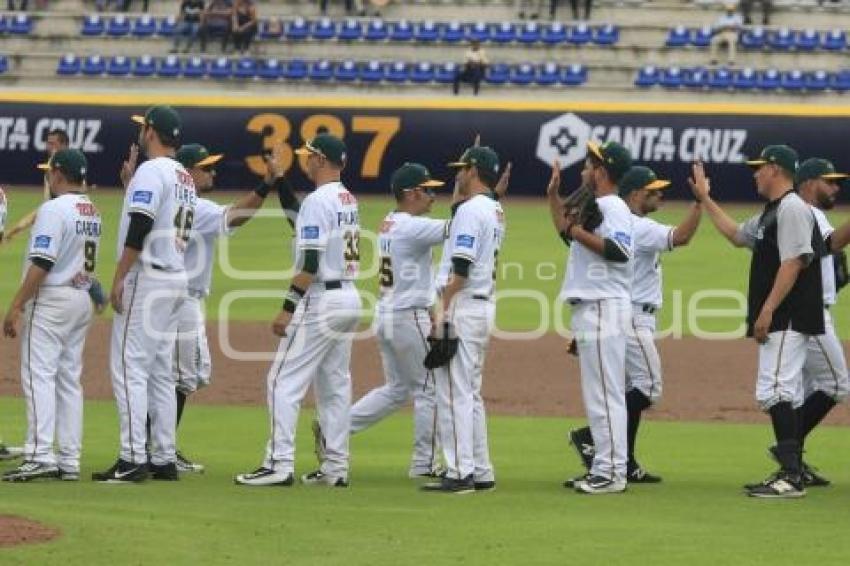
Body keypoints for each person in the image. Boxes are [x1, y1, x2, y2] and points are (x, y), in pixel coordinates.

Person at [691, 146, 825, 498]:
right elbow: (737, 235)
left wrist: (767, 310)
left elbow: (794, 261)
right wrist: (705, 199)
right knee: (781, 390)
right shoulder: (773, 211)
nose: (754, 174)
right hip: (783, 315)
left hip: (788, 315)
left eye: (759, 168)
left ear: (775, 170)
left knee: (776, 388)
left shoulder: (793, 208)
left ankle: (791, 476)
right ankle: (789, 471)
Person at [235, 134, 361, 488]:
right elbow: (298, 218)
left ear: (321, 160)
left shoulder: (318, 202)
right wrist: (280, 181)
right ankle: (336, 467)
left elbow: (309, 261)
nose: (305, 161)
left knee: (281, 381)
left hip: (322, 300)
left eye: (309, 156)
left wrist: (287, 307)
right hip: (348, 297)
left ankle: (278, 463)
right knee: (335, 386)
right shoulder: (346, 198)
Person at [565, 166, 702, 486]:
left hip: (616, 313)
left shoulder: (622, 223)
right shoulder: (637, 225)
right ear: (636, 193)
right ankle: (595, 441)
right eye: (654, 191)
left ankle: (620, 461)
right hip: (630, 318)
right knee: (648, 386)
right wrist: (700, 202)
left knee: (626, 389)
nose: (660, 195)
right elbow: (680, 237)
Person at [164, 143, 292, 473]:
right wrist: (266, 184)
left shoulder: (172, 201)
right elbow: (236, 216)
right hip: (182, 301)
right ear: (188, 172)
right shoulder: (194, 205)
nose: (213, 172)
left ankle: (161, 445)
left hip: (175, 298)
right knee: (179, 377)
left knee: (184, 374)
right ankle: (160, 448)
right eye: (205, 167)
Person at [92, 106, 197, 484]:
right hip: (175, 278)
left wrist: (118, 277)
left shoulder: (151, 171)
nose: (141, 133)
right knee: (158, 372)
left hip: (148, 278)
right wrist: (129, 185)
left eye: (144, 128)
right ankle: (163, 456)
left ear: (151, 132)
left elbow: (141, 225)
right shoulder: (184, 175)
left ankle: (132, 457)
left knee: (129, 366)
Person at [2, 149, 101, 483]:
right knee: (68, 379)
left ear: (58, 174)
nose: (47, 176)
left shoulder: (54, 209)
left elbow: (42, 262)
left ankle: (40, 454)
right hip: (81, 297)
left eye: (50, 171)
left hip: (53, 299)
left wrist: (16, 304)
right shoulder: (92, 209)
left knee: (38, 374)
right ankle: (69, 459)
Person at [548, 141, 634, 495]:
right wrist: (553, 197)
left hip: (603, 306)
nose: (583, 170)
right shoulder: (599, 205)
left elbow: (620, 251)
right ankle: (604, 466)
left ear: (601, 172)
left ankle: (612, 471)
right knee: (598, 393)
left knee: (605, 393)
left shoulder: (611, 205)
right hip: (594, 307)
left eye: (588, 165)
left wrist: (577, 231)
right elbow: (566, 234)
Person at [419, 146, 505, 494]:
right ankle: (480, 469)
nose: (457, 174)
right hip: (481, 306)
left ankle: (459, 472)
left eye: (462, 169)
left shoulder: (471, 211)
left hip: (463, 304)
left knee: (453, 393)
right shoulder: (495, 208)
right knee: (470, 392)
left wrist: (441, 308)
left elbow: (461, 268)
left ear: (474, 171)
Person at [786, 158, 850, 487]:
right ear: (810, 182)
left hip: (806, 309)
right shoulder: (807, 212)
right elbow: (832, 243)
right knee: (837, 385)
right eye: (830, 181)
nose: (836, 188)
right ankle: (787, 452)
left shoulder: (794, 210)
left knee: (806, 391)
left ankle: (793, 459)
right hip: (810, 314)